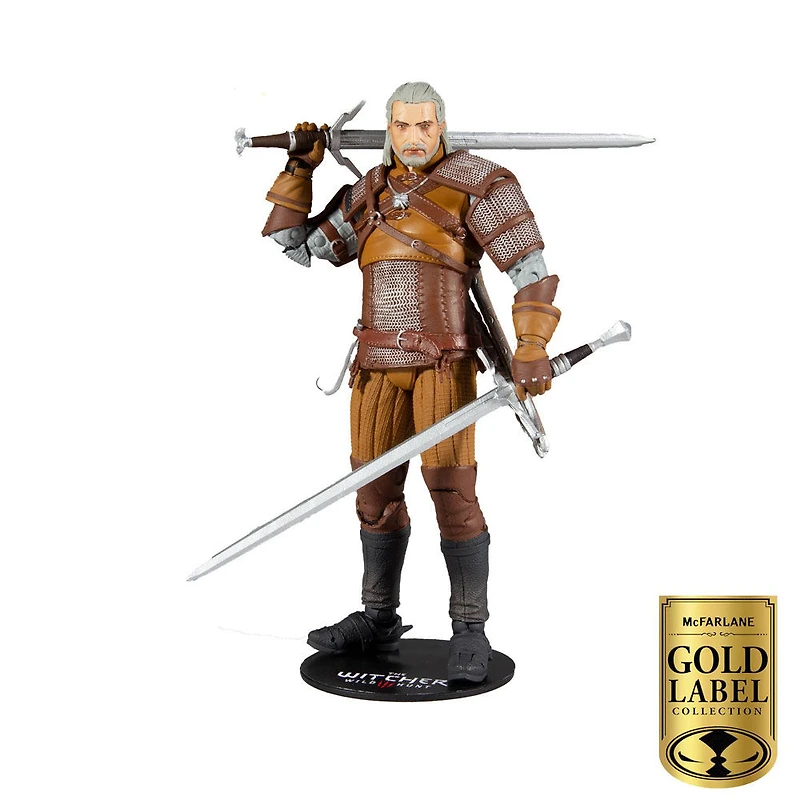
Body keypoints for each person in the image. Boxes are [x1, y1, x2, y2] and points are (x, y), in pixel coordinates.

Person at [261, 82, 560, 683]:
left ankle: (469, 628)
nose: (414, 137)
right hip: (374, 365)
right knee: (373, 494)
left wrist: (531, 346)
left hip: (442, 366)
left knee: (452, 493)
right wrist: (300, 167)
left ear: (442, 125)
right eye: (402, 125)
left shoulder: (479, 183)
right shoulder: (370, 191)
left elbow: (530, 269)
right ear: (389, 128)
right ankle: (378, 618)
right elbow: (296, 245)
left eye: (425, 125)